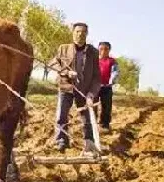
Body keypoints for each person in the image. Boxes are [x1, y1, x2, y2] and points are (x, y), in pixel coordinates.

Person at [48, 22, 102, 154]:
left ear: (87, 34)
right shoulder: (63, 48)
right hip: (66, 87)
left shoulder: (93, 52)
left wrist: (91, 93)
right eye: (77, 32)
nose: (80, 35)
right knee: (61, 115)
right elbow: (53, 63)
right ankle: (61, 140)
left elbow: (96, 77)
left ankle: (89, 142)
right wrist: (66, 72)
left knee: (86, 117)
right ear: (73, 33)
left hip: (84, 90)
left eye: (83, 32)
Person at [97, 41, 119, 132]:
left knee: (106, 106)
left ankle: (104, 124)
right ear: (98, 49)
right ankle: (92, 124)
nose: (103, 51)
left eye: (106, 49)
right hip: (94, 86)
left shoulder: (112, 61)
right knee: (92, 106)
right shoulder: (94, 60)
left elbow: (115, 72)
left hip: (106, 87)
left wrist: (111, 80)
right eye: (101, 49)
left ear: (109, 50)